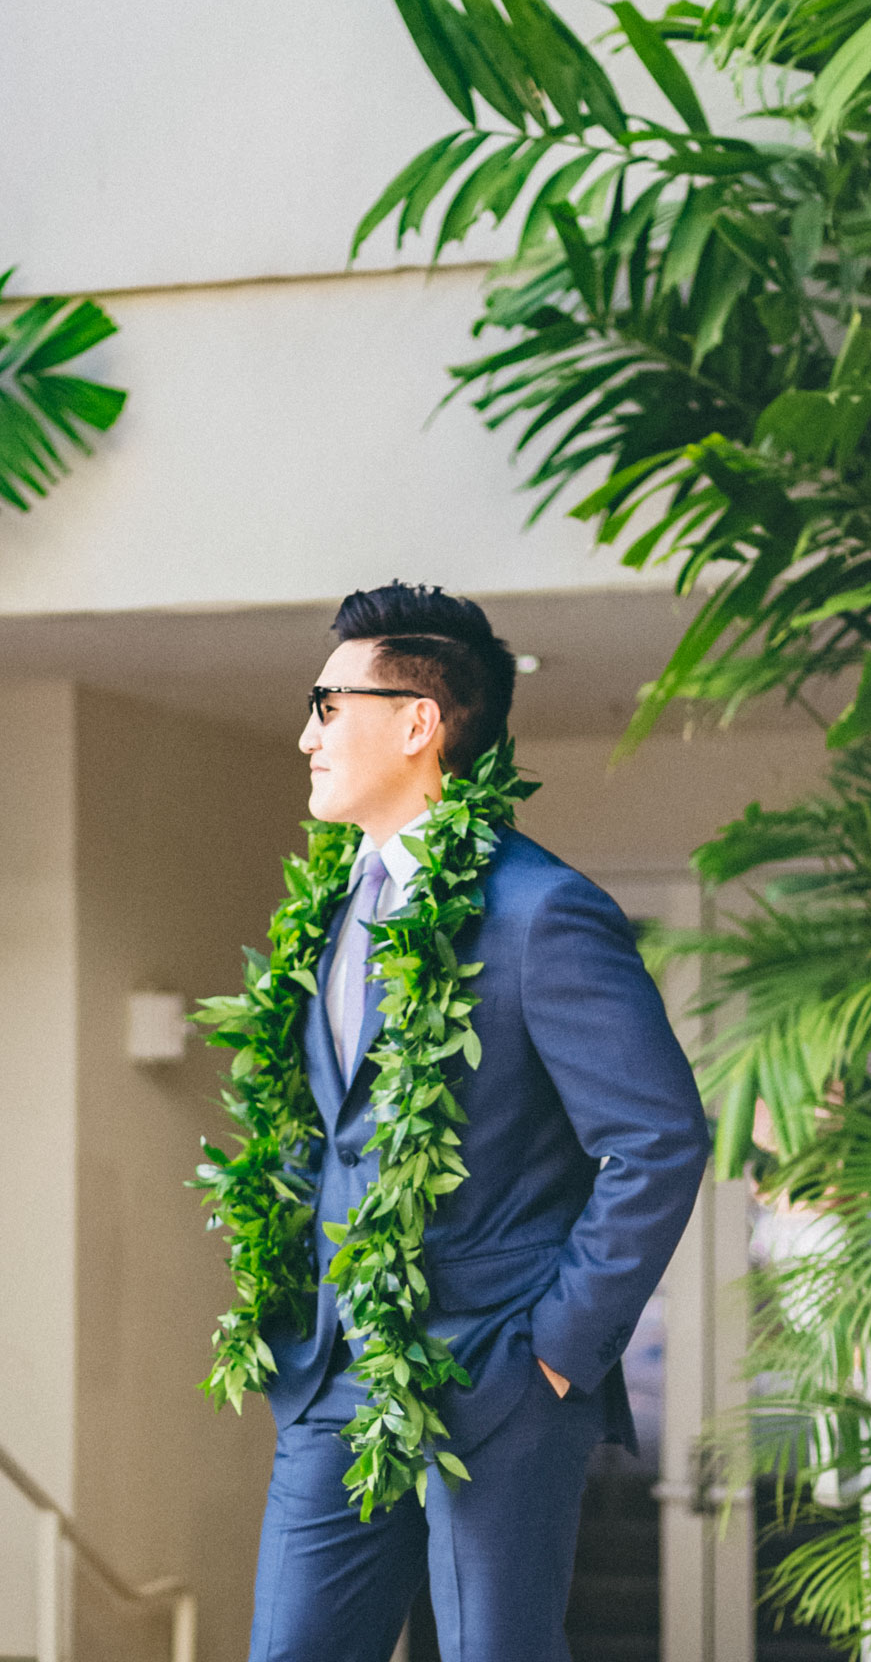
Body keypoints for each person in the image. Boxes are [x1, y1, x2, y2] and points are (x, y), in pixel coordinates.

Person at [247, 582, 710, 1662]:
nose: (303, 736)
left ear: (418, 723)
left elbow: (658, 1139)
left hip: (497, 1380)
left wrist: (555, 1351)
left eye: (328, 706)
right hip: (336, 1387)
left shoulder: (543, 912)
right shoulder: (326, 910)